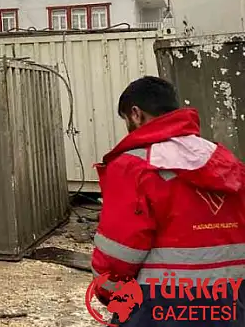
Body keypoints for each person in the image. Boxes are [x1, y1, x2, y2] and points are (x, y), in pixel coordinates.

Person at [92, 76, 245, 325]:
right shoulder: (224, 160)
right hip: (231, 301)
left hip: (161, 305)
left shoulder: (134, 165)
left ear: (135, 114)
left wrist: (109, 292)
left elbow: (119, 252)